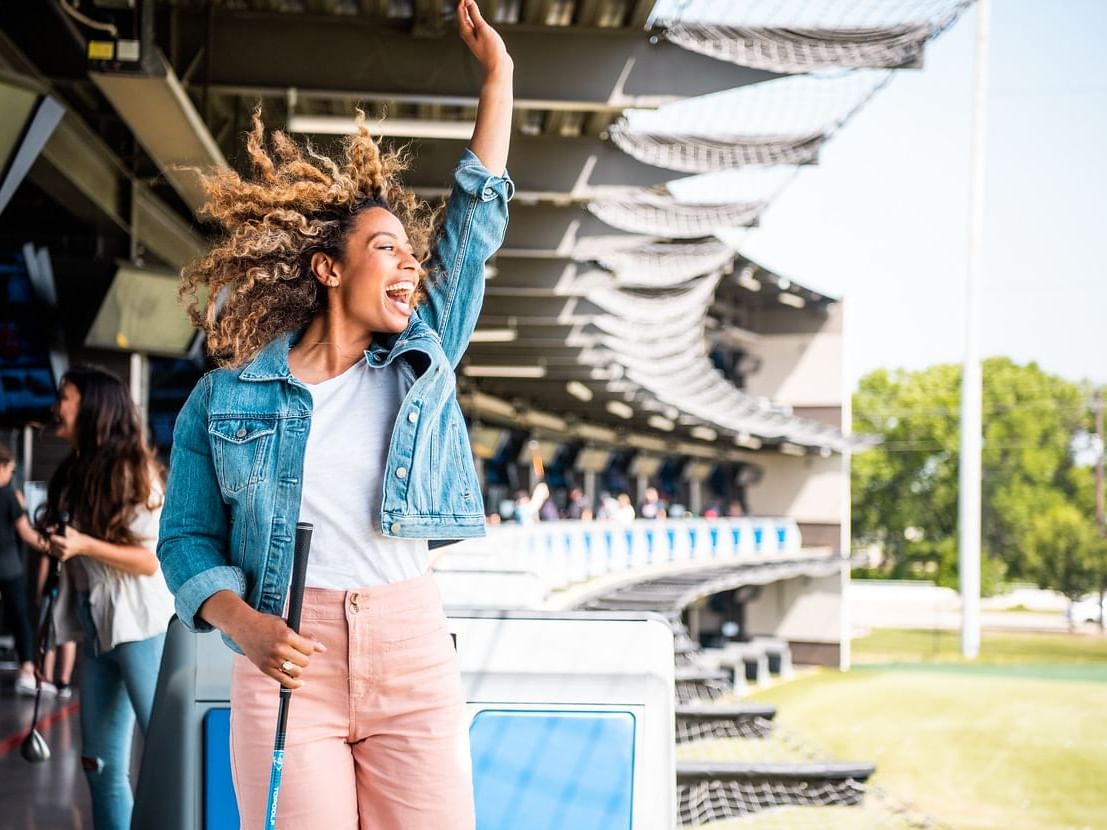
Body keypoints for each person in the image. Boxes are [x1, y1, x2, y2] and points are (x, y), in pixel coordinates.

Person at [157, 4, 512, 827]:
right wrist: (240, 621)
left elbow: (473, 228)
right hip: (286, 659)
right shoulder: (226, 397)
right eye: (386, 246)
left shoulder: (423, 359)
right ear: (327, 267)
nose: (411, 262)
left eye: (412, 254)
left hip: (411, 653)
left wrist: (499, 80)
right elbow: (183, 539)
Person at [38, 366, 176, 830]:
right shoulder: (77, 472)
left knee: (166, 755)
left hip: (142, 628)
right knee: (98, 765)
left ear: (93, 407)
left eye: (66, 397)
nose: (57, 406)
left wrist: (80, 544)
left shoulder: (134, 471)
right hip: (96, 628)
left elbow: (148, 560)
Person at [0, 446, 50, 696]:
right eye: (9, 469)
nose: (11, 474)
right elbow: (26, 534)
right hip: (9, 568)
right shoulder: (8, 494)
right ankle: (27, 670)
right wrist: (51, 544)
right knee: (21, 618)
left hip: (8, 566)